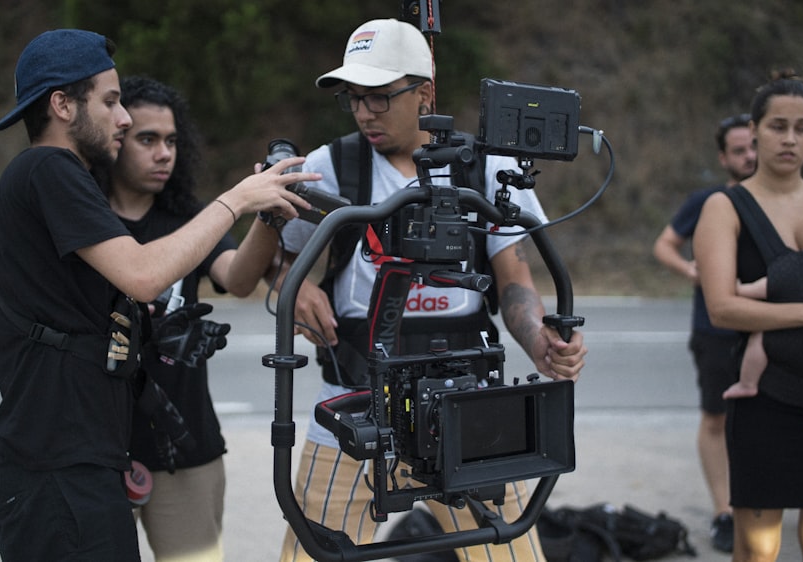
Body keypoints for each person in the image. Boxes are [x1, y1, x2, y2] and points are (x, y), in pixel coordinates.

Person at [0, 30, 318, 561]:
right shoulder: (49, 168)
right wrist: (236, 198)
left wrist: (259, 215)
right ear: (63, 105)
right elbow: (141, 275)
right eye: (111, 102)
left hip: (80, 457)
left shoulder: (52, 178)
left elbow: (231, 276)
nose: (123, 119)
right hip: (58, 463)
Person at [274, 19, 587, 562]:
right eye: (354, 99)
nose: (365, 112)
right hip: (354, 404)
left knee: (510, 553)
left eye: (379, 97)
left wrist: (539, 337)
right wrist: (292, 290)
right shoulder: (332, 165)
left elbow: (514, 278)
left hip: (464, 406)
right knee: (311, 555)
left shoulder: (487, 166)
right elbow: (283, 265)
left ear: (425, 93)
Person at [101, 76, 281, 561]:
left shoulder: (190, 219)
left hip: (186, 447)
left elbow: (239, 279)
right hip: (97, 449)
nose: (164, 153)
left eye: (172, 141)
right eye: (148, 139)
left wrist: (267, 218)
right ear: (114, 139)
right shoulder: (86, 219)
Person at [694, 71, 803, 562]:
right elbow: (722, 306)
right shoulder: (726, 207)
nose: (790, 139)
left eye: (802, 128)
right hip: (766, 403)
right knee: (758, 551)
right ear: (756, 130)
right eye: (778, 126)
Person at [651, 112, 756, 553]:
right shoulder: (709, 201)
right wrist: (691, 270)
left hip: (775, 328)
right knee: (717, 418)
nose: (749, 155)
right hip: (715, 329)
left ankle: (762, 503)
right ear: (723, 157)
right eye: (739, 150)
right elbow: (663, 244)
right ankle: (724, 512)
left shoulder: (791, 201)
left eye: (753, 144)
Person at [724, 203, 803, 400]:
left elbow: (757, 290)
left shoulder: (798, 267)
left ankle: (747, 383)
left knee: (760, 334)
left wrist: (736, 286)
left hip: (795, 344)